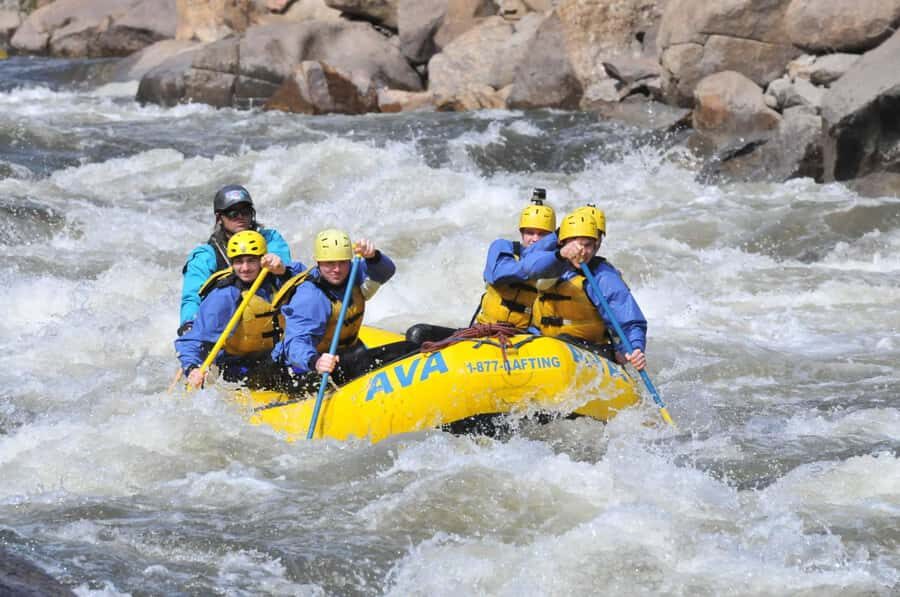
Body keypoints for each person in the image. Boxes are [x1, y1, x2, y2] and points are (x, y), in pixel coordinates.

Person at [272, 229, 412, 389]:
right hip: (307, 369)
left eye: (342, 262)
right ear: (318, 262)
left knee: (406, 348)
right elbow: (296, 343)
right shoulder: (310, 298)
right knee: (403, 350)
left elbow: (385, 271)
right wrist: (315, 361)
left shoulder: (352, 272)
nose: (337, 269)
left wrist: (373, 257)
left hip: (345, 352)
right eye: (330, 263)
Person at [174, 230, 298, 389]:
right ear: (232, 263)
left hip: (278, 358)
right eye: (239, 262)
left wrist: (284, 271)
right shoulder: (223, 296)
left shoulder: (278, 279)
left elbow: (309, 281)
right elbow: (194, 339)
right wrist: (192, 368)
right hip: (239, 366)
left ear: (262, 260)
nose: (245, 268)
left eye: (251, 261)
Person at [531, 208, 648, 370]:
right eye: (577, 245)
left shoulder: (603, 277)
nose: (583, 252)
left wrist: (634, 349)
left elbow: (630, 321)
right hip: (544, 344)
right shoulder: (546, 265)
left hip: (588, 349)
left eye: (588, 246)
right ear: (562, 243)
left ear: (595, 245)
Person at [178, 184, 292, 336]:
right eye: (233, 213)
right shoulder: (206, 255)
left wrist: (278, 266)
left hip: (271, 323)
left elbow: (288, 270)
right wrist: (189, 324)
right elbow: (192, 297)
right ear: (219, 218)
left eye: (245, 212)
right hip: (232, 331)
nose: (240, 217)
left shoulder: (270, 239)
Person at [469, 188, 564, 328]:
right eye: (530, 233)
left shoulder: (555, 263)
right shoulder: (502, 247)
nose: (535, 239)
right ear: (522, 233)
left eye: (542, 234)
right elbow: (499, 275)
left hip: (524, 334)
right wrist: (553, 240)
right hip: (486, 328)